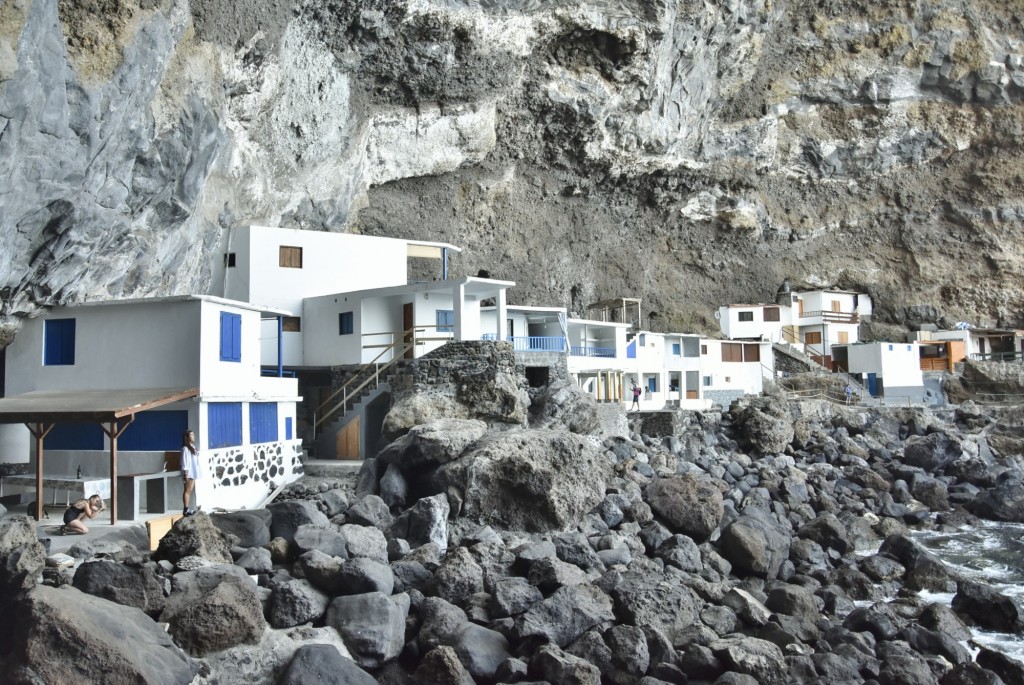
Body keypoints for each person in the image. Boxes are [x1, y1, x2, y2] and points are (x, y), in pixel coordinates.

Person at [181, 429, 202, 516]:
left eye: (193, 434)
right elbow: (184, 461)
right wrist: (186, 473)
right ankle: (185, 509)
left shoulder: (192, 447)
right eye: (191, 435)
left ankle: (188, 508)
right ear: (187, 437)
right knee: (187, 490)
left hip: (193, 471)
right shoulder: (185, 448)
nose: (193, 436)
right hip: (189, 472)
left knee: (190, 490)